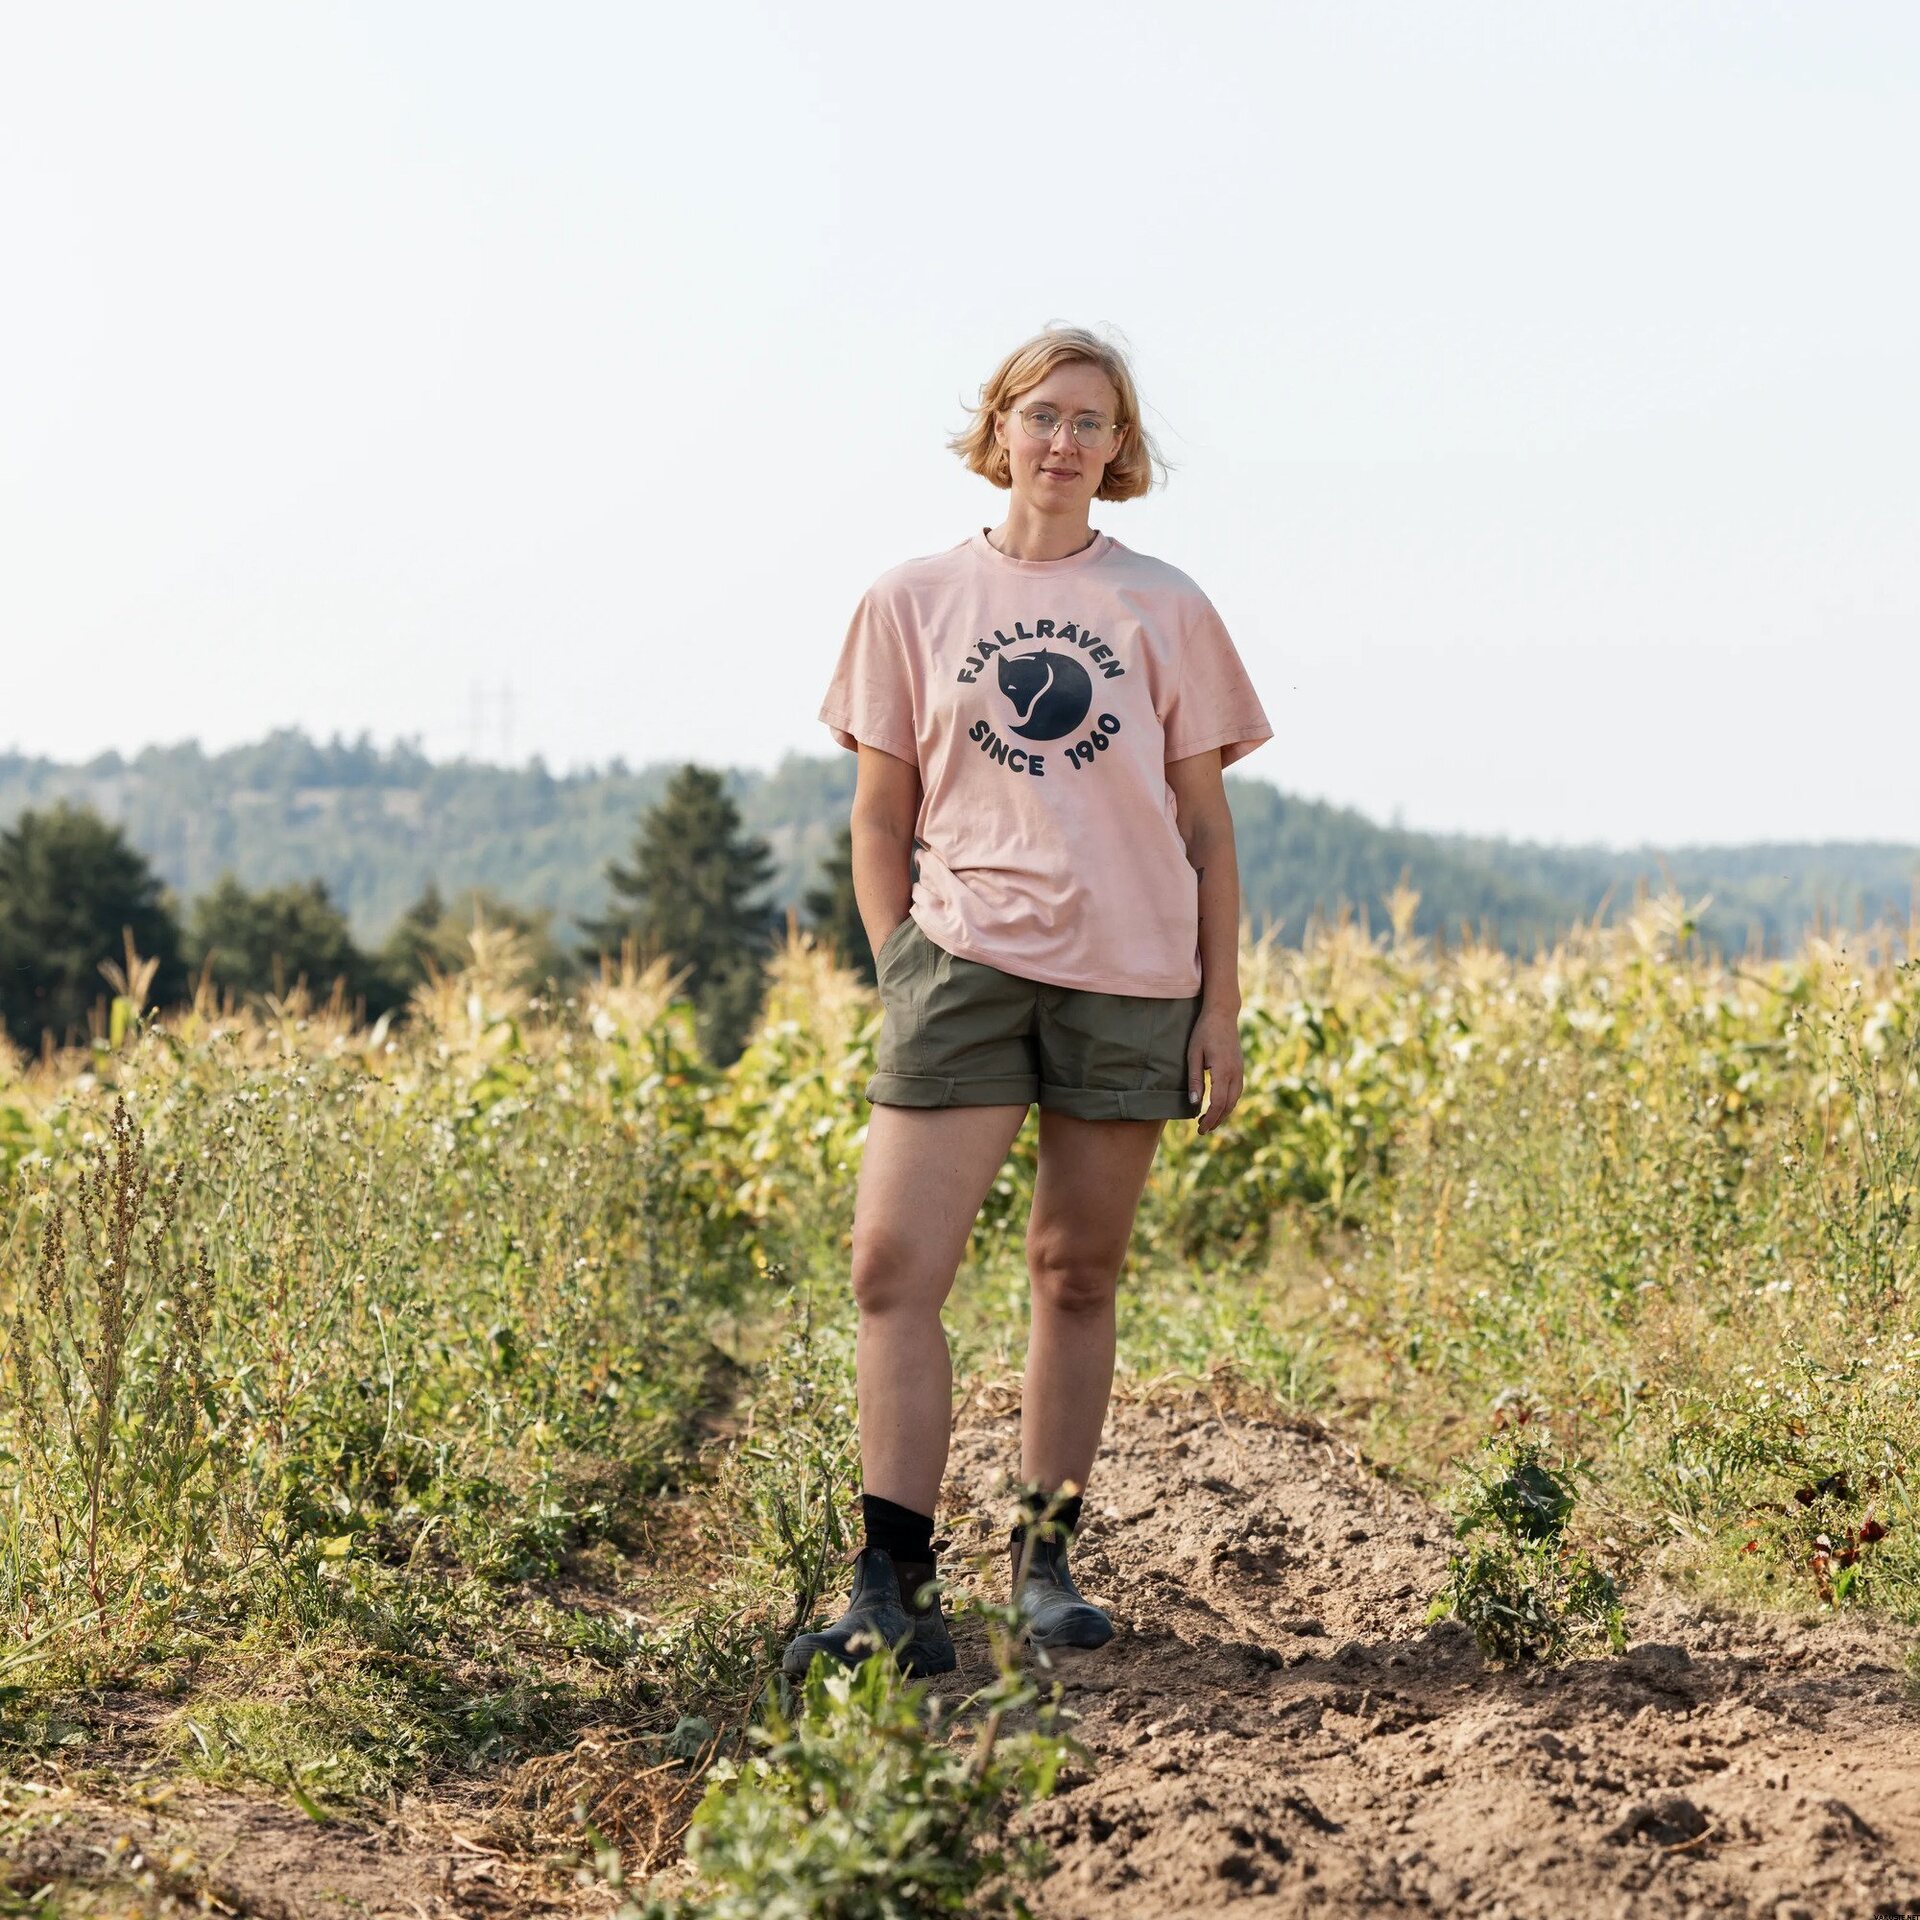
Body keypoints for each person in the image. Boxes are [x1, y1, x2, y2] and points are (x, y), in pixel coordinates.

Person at [781, 325, 1273, 1682]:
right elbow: (878, 814)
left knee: (1075, 1269)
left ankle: (1045, 1567)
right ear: (999, 426)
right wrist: (900, 958)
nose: (1063, 441)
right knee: (892, 1268)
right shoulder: (911, 600)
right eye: (1042, 414)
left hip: (1132, 975)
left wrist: (1221, 1005)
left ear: (1120, 451)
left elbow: (1207, 828)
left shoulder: (1165, 606)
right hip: (964, 964)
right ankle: (891, 1586)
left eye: (1091, 422)